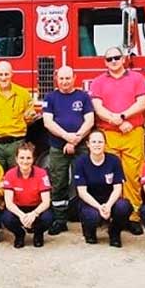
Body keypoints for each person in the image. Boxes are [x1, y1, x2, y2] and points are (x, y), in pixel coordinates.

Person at [89, 46, 145, 234]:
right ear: (105, 62)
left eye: (116, 57)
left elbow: (142, 103)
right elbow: (97, 107)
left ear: (124, 59)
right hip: (108, 134)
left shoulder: (137, 78)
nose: (113, 61)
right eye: (109, 59)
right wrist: (115, 120)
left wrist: (121, 117)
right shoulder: (98, 82)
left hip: (132, 131)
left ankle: (133, 216)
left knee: (133, 175)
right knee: (109, 176)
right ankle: (110, 214)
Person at [43, 65, 94, 235]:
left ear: (74, 78)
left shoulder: (83, 96)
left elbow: (90, 120)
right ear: (57, 79)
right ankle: (60, 220)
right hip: (58, 148)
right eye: (62, 78)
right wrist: (67, 138)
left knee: (86, 182)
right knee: (58, 184)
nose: (65, 82)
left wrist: (76, 139)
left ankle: (89, 219)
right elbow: (47, 122)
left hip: (81, 147)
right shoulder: (50, 97)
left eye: (68, 78)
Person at [71, 130, 131, 247]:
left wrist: (108, 205)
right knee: (92, 216)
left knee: (124, 207)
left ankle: (114, 232)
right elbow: (82, 192)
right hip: (90, 201)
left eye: (100, 142)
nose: (97, 145)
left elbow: (118, 188)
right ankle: (90, 232)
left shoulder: (114, 160)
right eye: (93, 142)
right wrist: (99, 207)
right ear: (88, 144)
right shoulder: (80, 162)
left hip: (110, 200)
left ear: (105, 144)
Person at [0, 61, 36, 170]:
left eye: (6, 74)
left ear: (12, 74)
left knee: (18, 176)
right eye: (1, 74)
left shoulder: (23, 94)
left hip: (16, 144)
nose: (3, 78)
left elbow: (29, 118)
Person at [1, 142, 53, 248]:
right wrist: (22, 216)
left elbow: (46, 201)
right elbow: (9, 203)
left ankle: (38, 234)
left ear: (33, 159)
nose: (25, 161)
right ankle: (19, 235)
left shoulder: (41, 173)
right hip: (18, 208)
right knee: (6, 218)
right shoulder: (10, 174)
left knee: (48, 218)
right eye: (22, 158)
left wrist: (34, 214)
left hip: (36, 207)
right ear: (16, 159)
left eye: (28, 158)